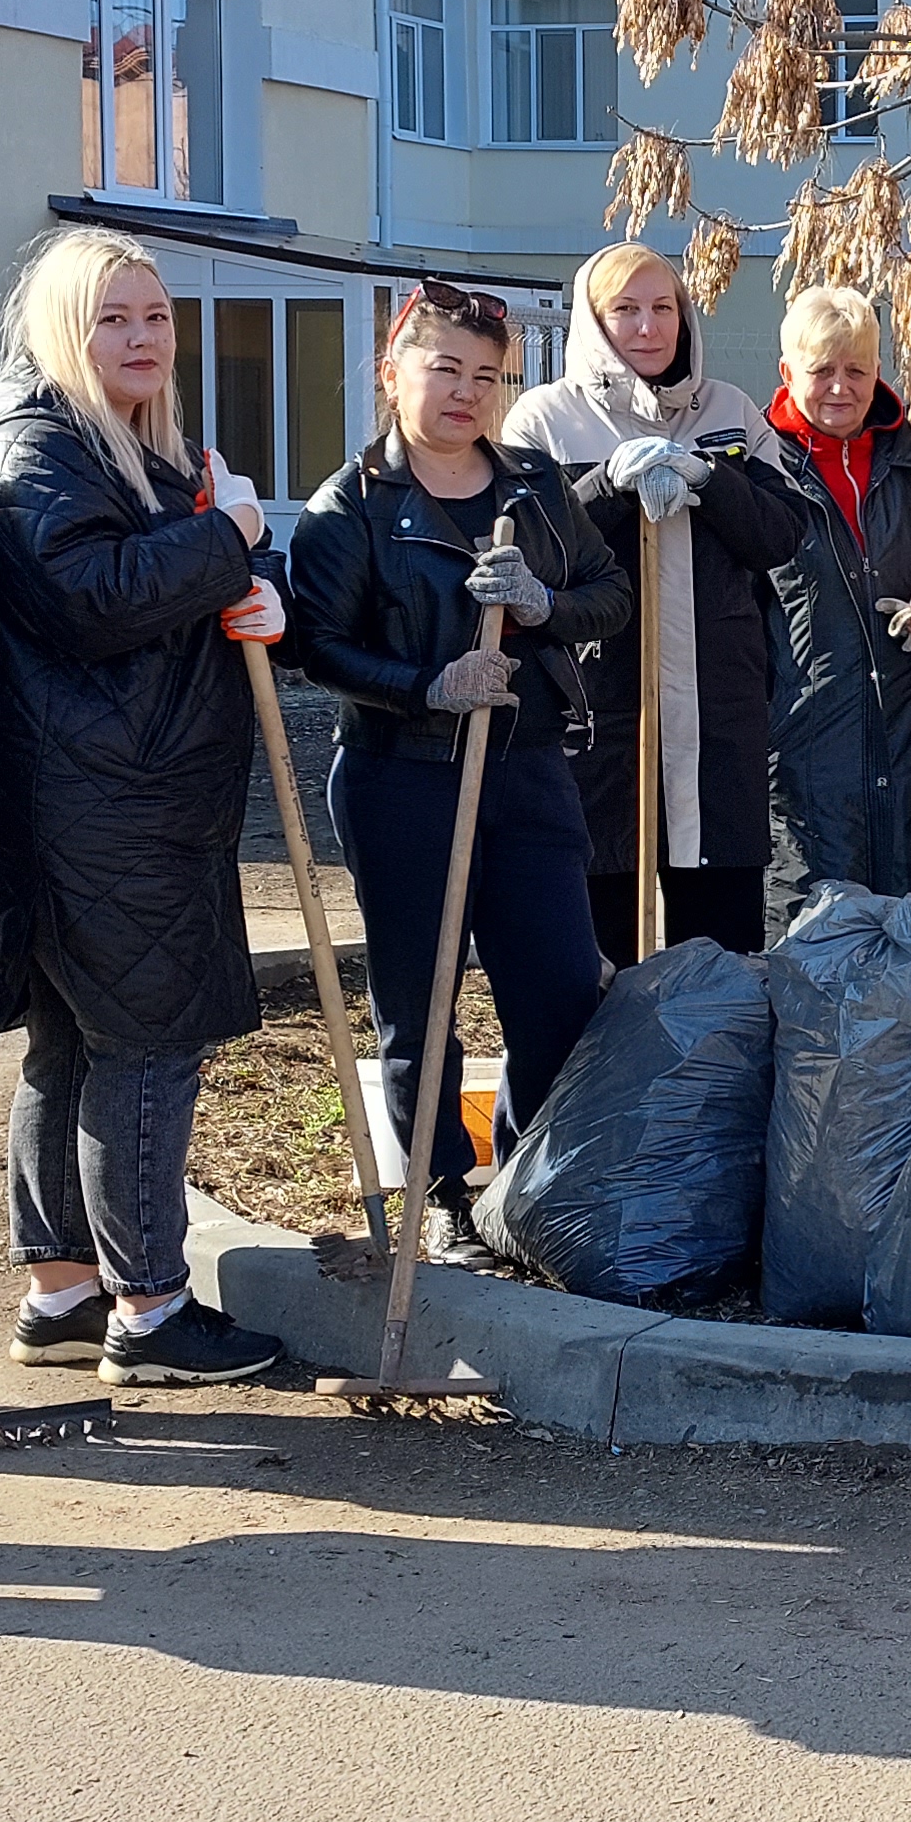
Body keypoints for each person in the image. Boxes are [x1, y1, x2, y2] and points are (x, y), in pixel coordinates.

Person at [0, 228, 285, 1391]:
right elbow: (93, 600)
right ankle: (149, 1310)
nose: (141, 337)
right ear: (59, 330)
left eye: (153, 315)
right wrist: (230, 538)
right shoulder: (35, 449)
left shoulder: (129, 445)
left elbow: (169, 588)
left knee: (73, 1045)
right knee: (147, 1045)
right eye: (112, 319)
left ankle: (62, 1291)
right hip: (98, 804)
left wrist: (252, 592)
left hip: (126, 792)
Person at [288, 283, 631, 1173]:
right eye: (445, 369)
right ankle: (435, 1193)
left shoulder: (537, 485)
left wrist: (544, 602)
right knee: (423, 998)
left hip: (528, 769)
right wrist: (429, 685)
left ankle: (525, 1180)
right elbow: (317, 646)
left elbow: (611, 597)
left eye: (489, 375)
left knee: (558, 987)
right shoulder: (349, 508)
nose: (467, 393)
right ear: (389, 373)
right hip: (402, 777)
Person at [500, 241, 795, 962]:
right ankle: (606, 1076)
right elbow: (533, 548)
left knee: (720, 963)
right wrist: (606, 484)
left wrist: (708, 477)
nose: (647, 327)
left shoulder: (731, 410)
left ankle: (712, 1078)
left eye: (662, 307)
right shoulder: (543, 419)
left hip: (715, 726)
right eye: (625, 310)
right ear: (594, 322)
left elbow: (783, 533)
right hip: (598, 721)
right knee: (598, 953)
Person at [756, 283, 911, 921]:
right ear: (787, 372)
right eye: (822, 371)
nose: (841, 387)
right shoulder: (758, 477)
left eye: (856, 370)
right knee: (820, 950)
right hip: (809, 755)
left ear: (877, 372)